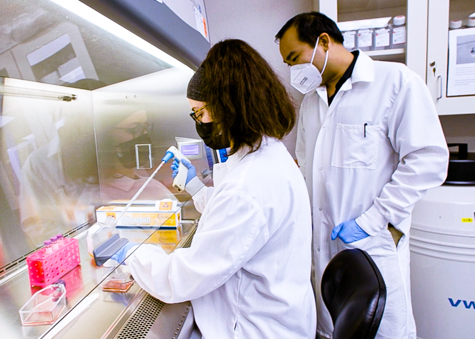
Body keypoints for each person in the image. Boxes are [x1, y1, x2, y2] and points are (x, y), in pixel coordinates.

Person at [112, 39, 317, 338]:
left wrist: (131, 254)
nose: (199, 122)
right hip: (280, 317)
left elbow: (185, 277)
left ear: (228, 108)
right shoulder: (269, 157)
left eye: (200, 113)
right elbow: (239, 224)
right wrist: (196, 187)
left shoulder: (251, 185)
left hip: (255, 329)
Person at [275, 12, 449, 339]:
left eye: (295, 58)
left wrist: (373, 221)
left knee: (381, 330)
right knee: (334, 331)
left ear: (323, 42)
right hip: (324, 253)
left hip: (373, 246)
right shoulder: (311, 103)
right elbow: (303, 163)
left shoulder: (395, 82)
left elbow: (428, 160)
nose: (293, 70)